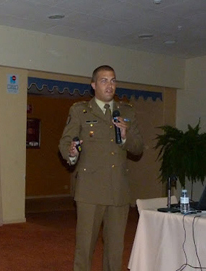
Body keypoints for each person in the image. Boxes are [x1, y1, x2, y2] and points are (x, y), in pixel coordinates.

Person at [59, 65, 143, 271]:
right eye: (104, 80)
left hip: (118, 190)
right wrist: (72, 153)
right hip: (90, 189)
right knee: (85, 246)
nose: (110, 85)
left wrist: (125, 136)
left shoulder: (126, 111)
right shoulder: (80, 110)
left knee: (115, 249)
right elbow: (65, 142)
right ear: (94, 85)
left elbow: (138, 148)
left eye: (113, 80)